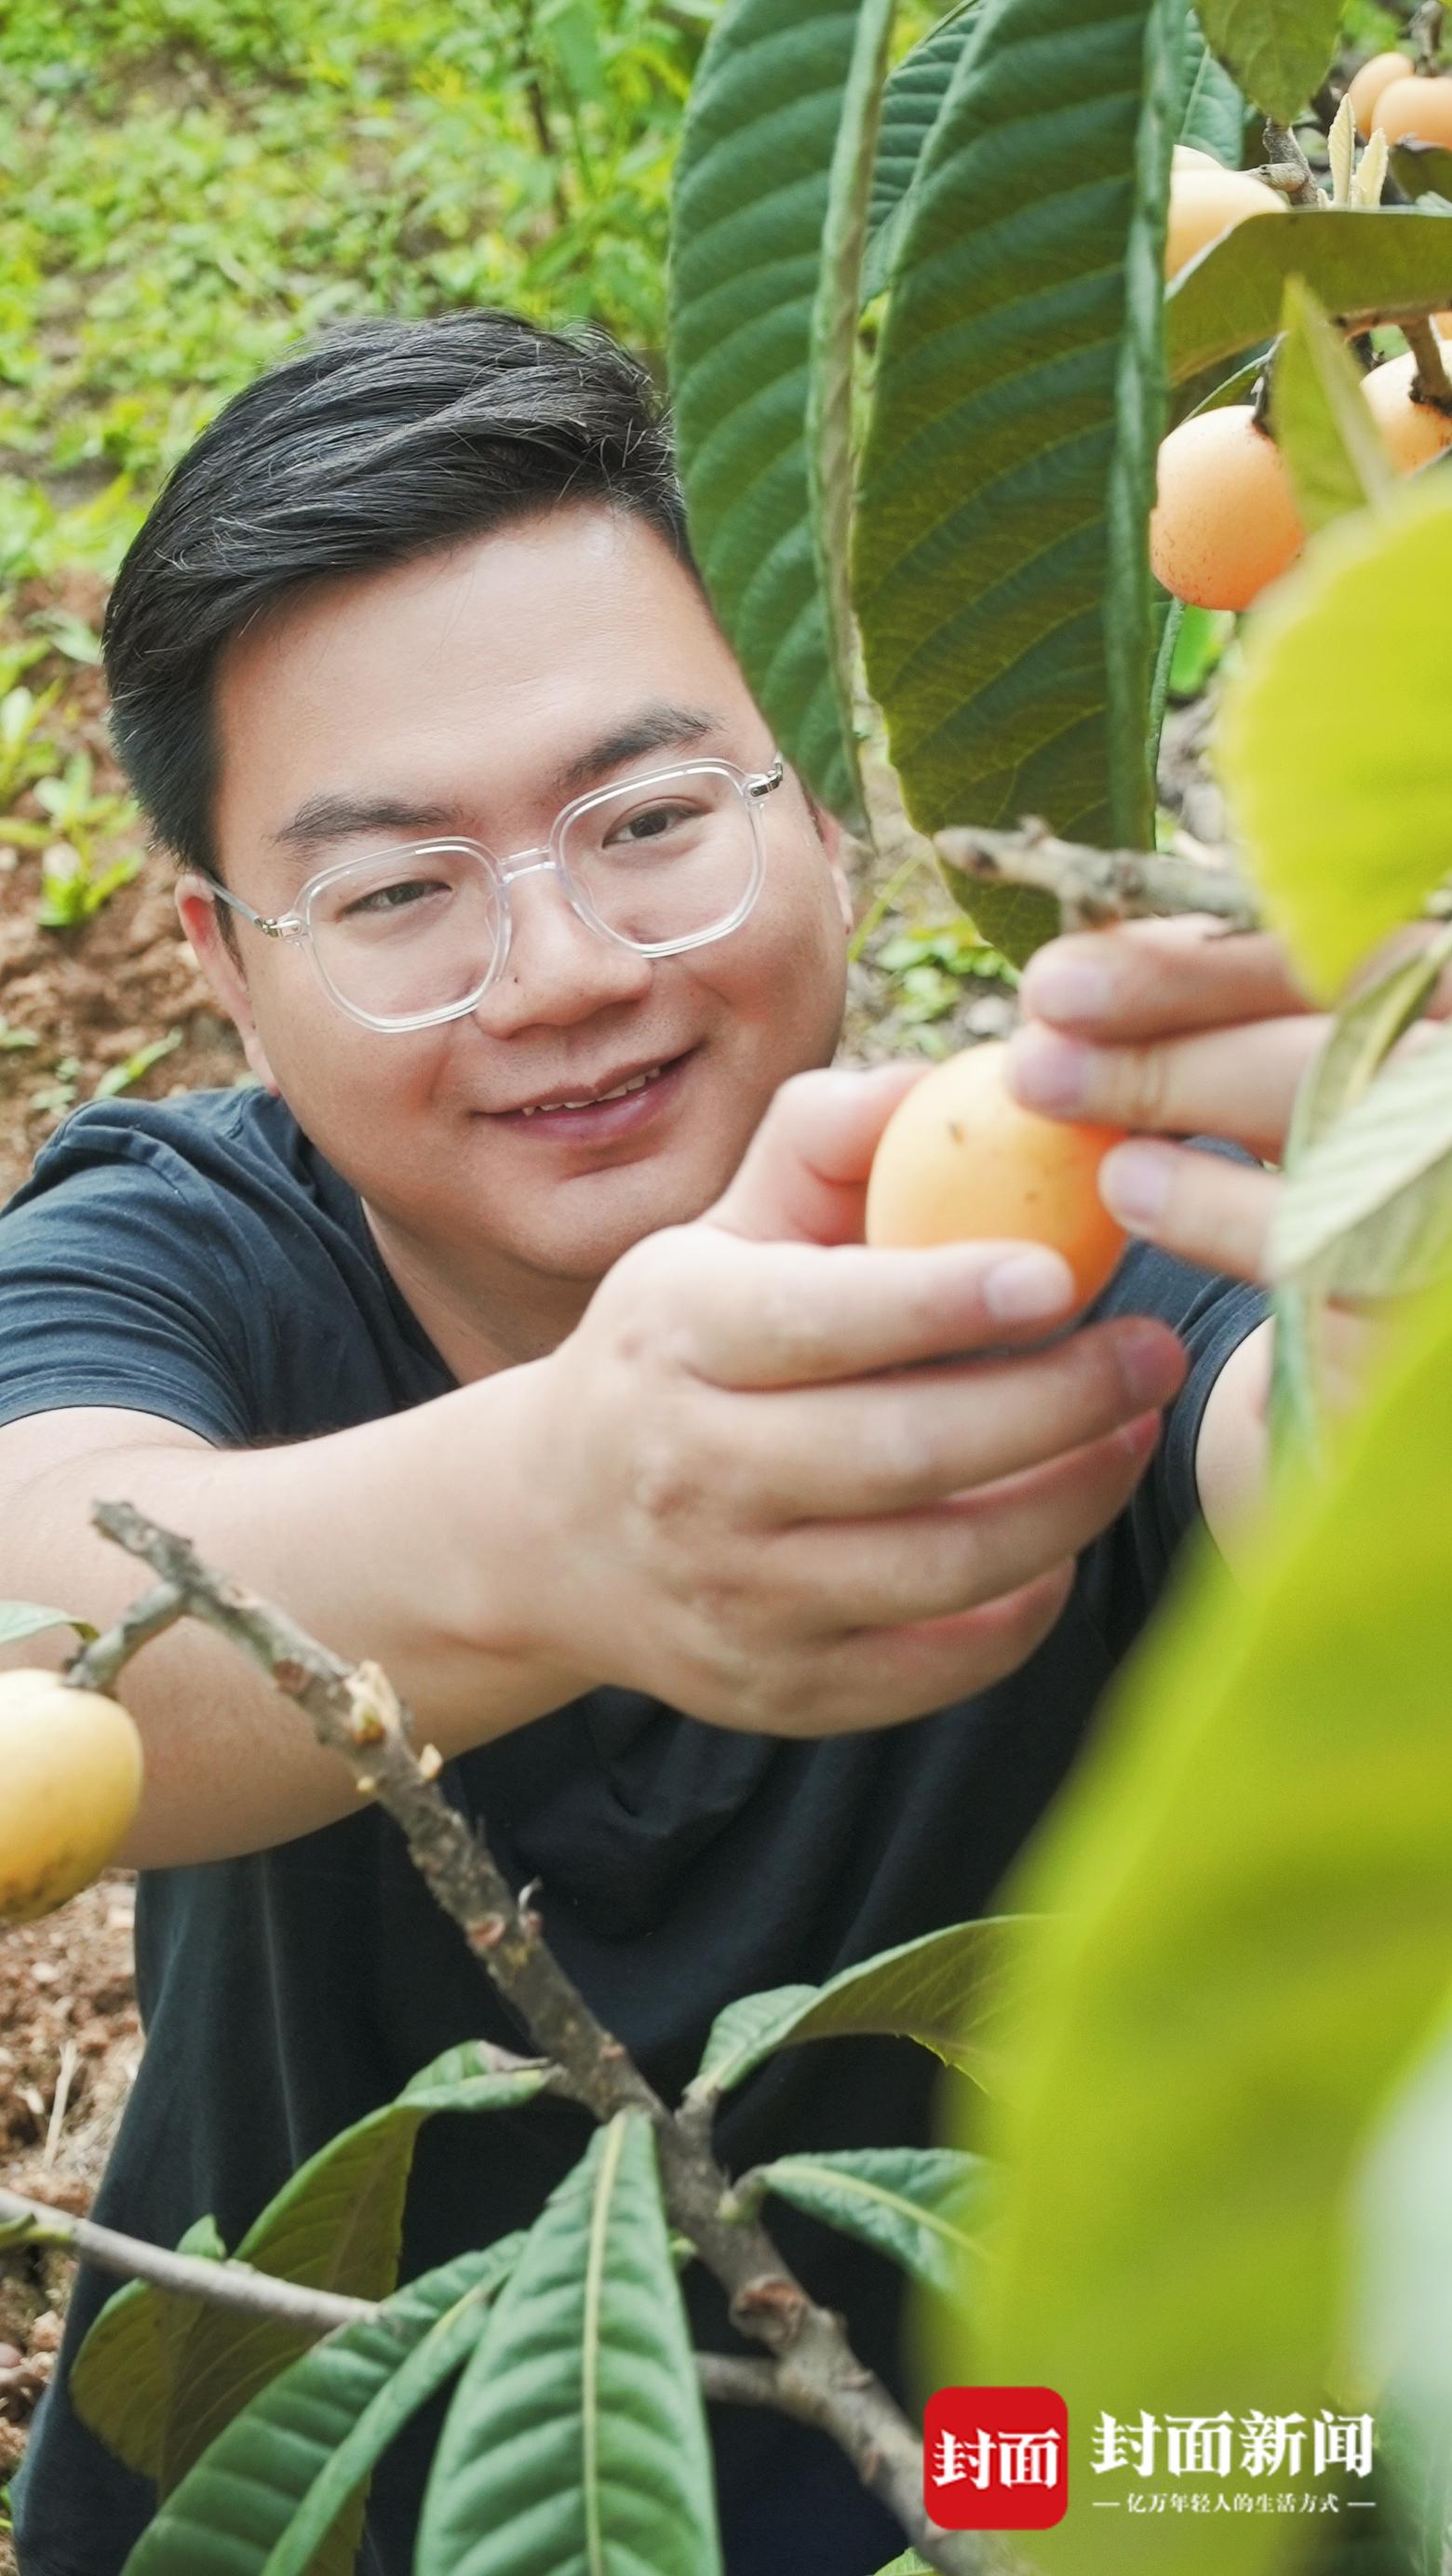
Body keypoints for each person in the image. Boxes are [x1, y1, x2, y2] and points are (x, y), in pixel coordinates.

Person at [0, 307, 1293, 2575]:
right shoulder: (192, 1244)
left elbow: (1323, 1457)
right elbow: (47, 1592)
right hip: (308, 2484)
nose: (567, 969)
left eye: (652, 819)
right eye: (397, 891)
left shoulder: (1082, 1234)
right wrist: (571, 1514)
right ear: (224, 960)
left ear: (819, 801)